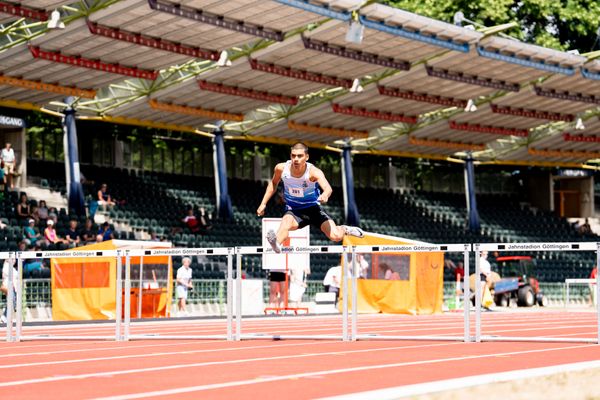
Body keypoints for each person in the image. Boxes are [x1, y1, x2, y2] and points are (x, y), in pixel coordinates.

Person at [257, 142, 364, 253]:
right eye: (293, 156)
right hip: (294, 210)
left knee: (335, 236)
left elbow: (328, 188)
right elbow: (273, 183)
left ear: (306, 157)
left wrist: (325, 195)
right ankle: (276, 244)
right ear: (290, 156)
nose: (296, 159)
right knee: (286, 222)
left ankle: (345, 229)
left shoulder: (313, 172)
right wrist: (263, 203)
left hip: (313, 209)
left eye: (300, 156)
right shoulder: (281, 169)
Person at [1, 257, 17, 324]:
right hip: (8, 286)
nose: (14, 261)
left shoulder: (12, 268)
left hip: (13, 287)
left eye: (14, 259)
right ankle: (4, 316)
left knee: (12, 302)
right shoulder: (6, 267)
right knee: (11, 302)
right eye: (13, 259)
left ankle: (6, 316)